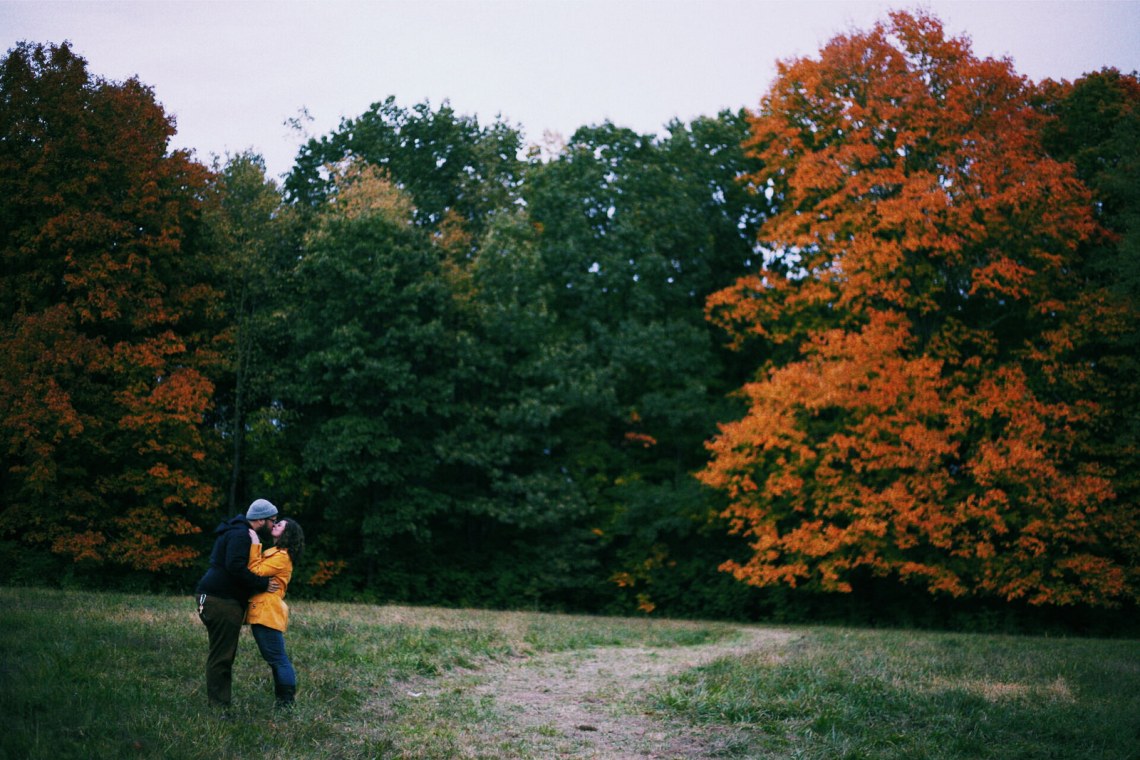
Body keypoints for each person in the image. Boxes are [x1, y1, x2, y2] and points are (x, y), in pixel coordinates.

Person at [195, 498, 282, 711]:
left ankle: (219, 702)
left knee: (222, 652)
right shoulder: (240, 534)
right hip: (219, 600)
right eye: (273, 521)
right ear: (261, 520)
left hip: (215, 598)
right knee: (222, 656)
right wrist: (262, 583)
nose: (274, 525)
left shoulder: (237, 532)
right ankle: (219, 708)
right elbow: (235, 567)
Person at [246, 516, 305, 708]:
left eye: (281, 525)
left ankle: (286, 703)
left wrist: (255, 544)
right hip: (263, 609)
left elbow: (254, 570)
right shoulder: (276, 553)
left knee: (278, 659)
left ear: (287, 534)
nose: (276, 524)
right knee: (275, 659)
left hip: (267, 611)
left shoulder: (282, 557)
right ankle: (284, 702)